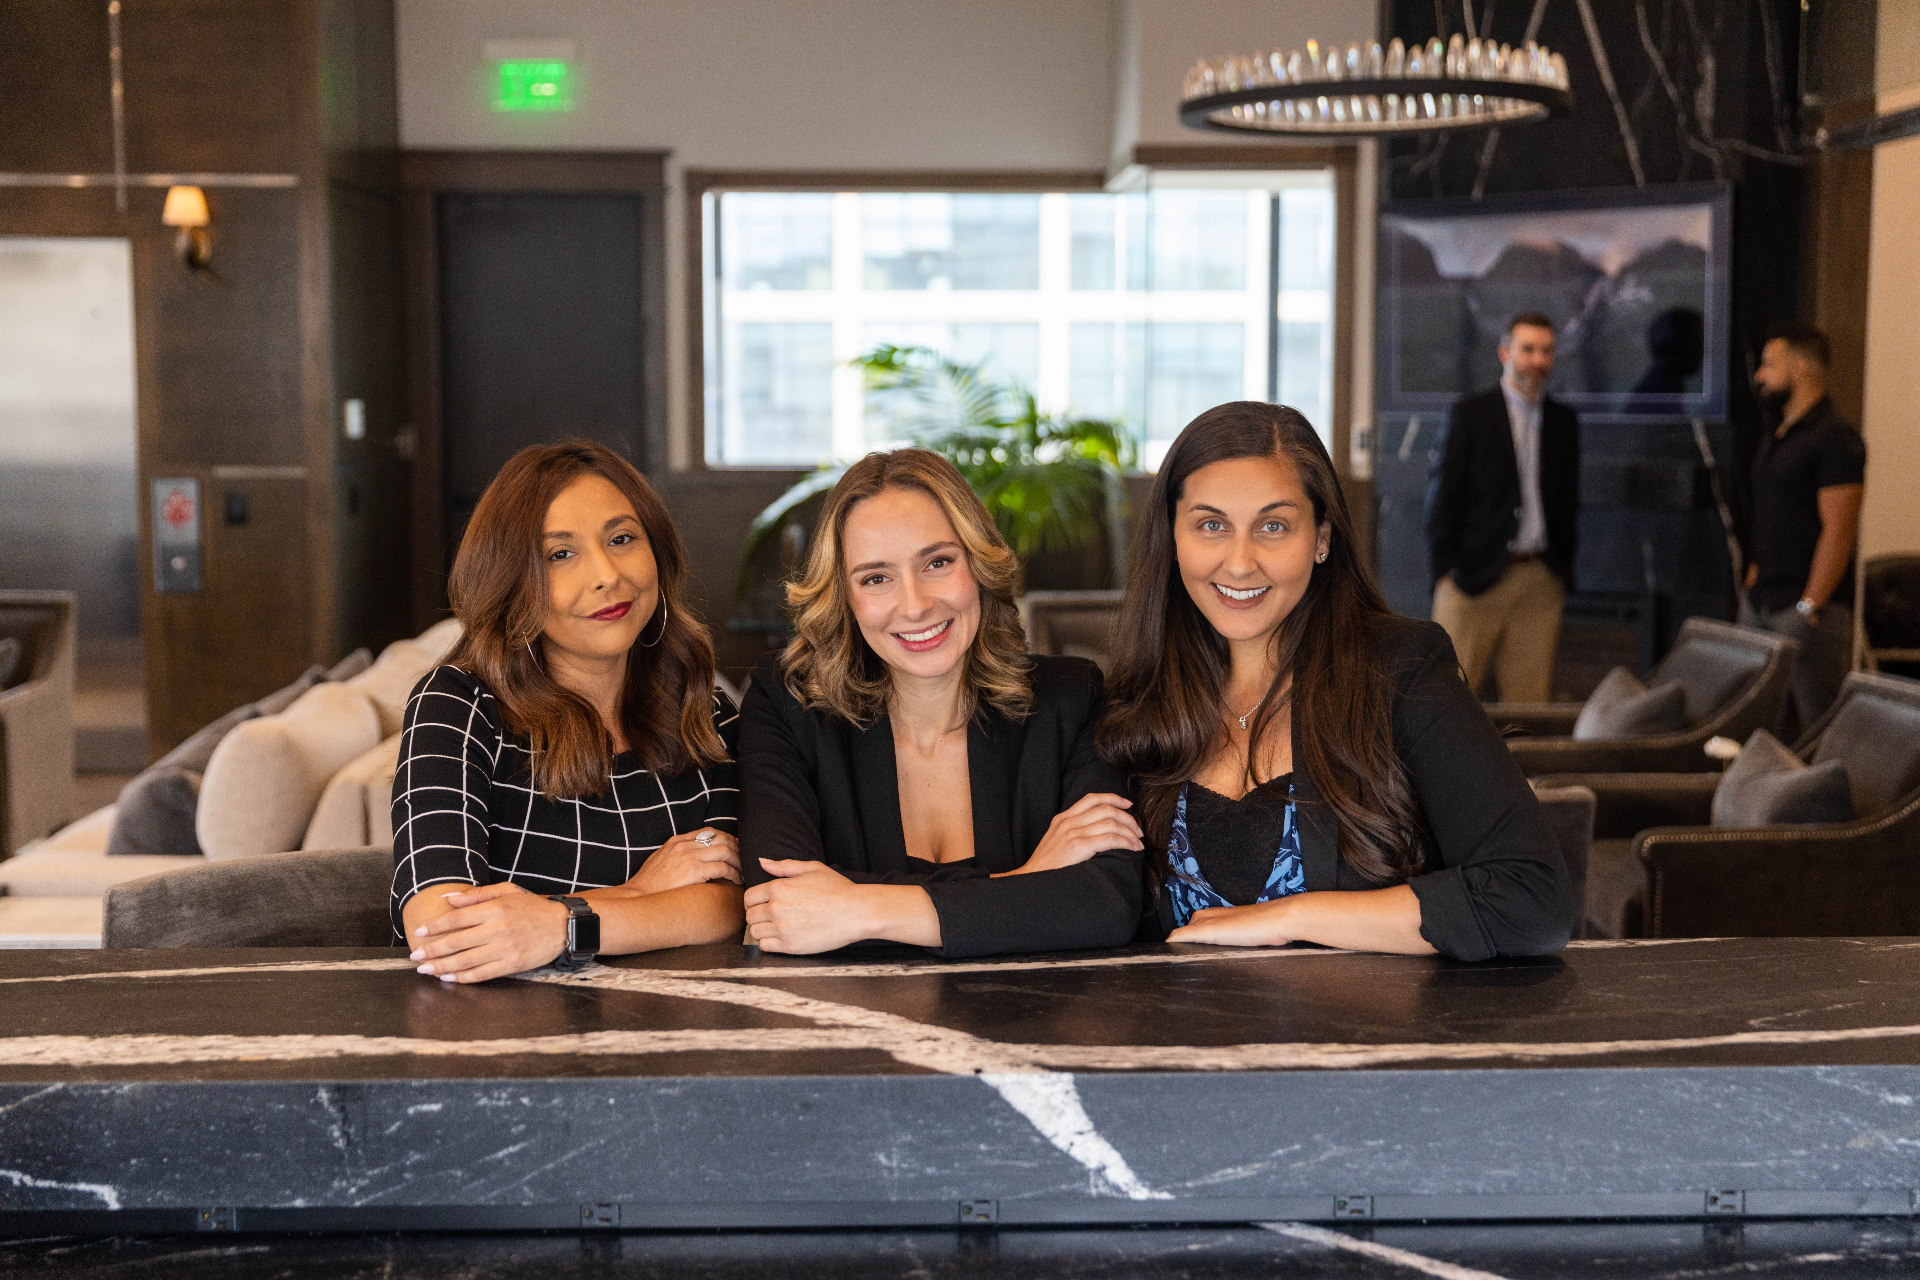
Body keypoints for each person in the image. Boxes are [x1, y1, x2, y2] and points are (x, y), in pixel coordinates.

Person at [1097, 402, 1570, 959]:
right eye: (1211, 525)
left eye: (1273, 526)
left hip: (1357, 1039)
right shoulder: (1132, 702)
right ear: (1172, 537)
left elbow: (1532, 897)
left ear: (1322, 538)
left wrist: (1291, 916)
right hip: (1177, 1040)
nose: (1241, 562)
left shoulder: (1400, 671)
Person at [738, 448, 1146, 958]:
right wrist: (1028, 879)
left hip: (1029, 1028)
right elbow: (781, 907)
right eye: (876, 578)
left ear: (977, 563)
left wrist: (860, 908)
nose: (915, 605)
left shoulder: (1073, 699)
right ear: (843, 596)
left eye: (937, 562)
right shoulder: (787, 704)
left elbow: (1106, 905)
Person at [392, 440, 744, 983]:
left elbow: (727, 908)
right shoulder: (458, 705)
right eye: (560, 554)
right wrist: (639, 894)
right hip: (505, 1043)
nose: (606, 574)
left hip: (675, 1034)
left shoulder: (707, 715)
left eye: (622, 539)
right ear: (511, 582)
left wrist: (552, 924)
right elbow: (441, 931)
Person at [1425, 311, 1581, 702]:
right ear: (1504, 352)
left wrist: (1560, 570)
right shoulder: (1471, 414)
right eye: (1527, 349)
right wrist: (1445, 570)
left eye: (1546, 351)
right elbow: (1443, 495)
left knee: (1528, 709)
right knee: (1447, 704)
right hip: (1472, 581)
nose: (1537, 360)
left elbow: (1567, 502)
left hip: (1539, 580)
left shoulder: (1565, 423)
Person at [1743, 323, 1866, 732]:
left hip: (1808, 610)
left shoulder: (1835, 438)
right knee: (1759, 728)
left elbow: (1839, 531)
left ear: (1799, 368)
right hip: (1763, 601)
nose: (1760, 376)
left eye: (1767, 365)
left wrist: (1809, 608)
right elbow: (1771, 516)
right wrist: (1753, 580)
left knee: (1818, 730)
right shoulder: (1776, 435)